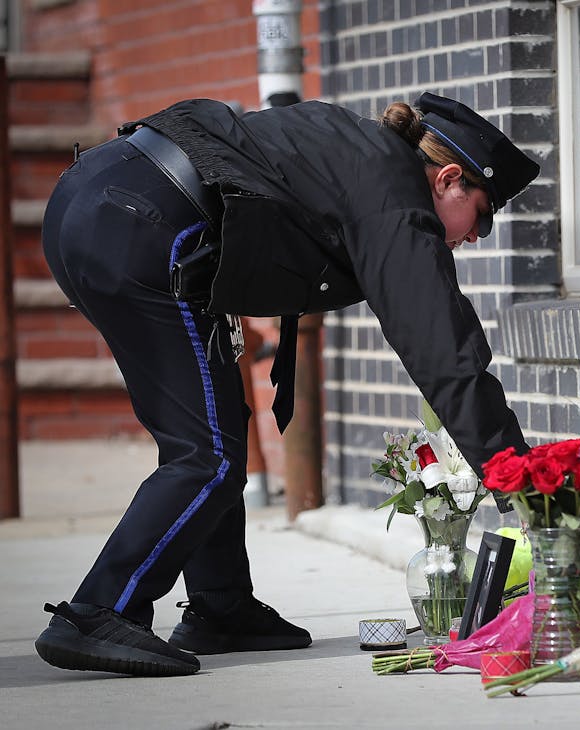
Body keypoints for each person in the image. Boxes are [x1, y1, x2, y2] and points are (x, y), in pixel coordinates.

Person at [34, 92, 540, 677]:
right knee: (208, 455)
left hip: (100, 202)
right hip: (140, 227)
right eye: (481, 213)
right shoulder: (393, 194)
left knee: (216, 435)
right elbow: (444, 353)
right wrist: (520, 484)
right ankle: (99, 608)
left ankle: (219, 606)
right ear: (448, 177)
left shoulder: (363, 156)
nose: (477, 234)